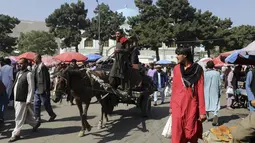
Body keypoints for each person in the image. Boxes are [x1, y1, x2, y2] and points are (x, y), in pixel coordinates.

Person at [170, 47, 206, 143]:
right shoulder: (176, 68)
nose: (176, 56)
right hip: (177, 105)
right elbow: (174, 88)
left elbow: (200, 90)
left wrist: (202, 111)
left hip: (191, 104)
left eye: (178, 54)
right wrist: (171, 106)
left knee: (191, 131)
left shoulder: (197, 69)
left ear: (185, 55)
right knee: (177, 132)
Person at [9, 58, 40, 142]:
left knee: (18, 117)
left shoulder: (29, 74)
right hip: (16, 99)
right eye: (18, 63)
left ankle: (16, 134)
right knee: (25, 115)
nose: (19, 65)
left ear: (26, 64)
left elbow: (31, 88)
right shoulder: (18, 73)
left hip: (23, 99)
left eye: (21, 63)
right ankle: (35, 123)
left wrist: (29, 99)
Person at [33, 54, 56, 122]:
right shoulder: (36, 67)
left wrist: (46, 89)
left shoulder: (43, 67)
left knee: (46, 103)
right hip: (37, 88)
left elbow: (46, 79)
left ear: (39, 59)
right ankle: (37, 117)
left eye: (35, 58)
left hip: (43, 88)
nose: (34, 60)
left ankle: (52, 115)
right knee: (36, 104)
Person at [204, 61, 221, 126]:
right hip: (215, 90)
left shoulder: (205, 74)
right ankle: (215, 114)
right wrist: (220, 91)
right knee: (215, 102)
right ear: (213, 66)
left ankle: (207, 117)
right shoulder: (217, 73)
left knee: (206, 103)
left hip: (206, 91)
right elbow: (219, 84)